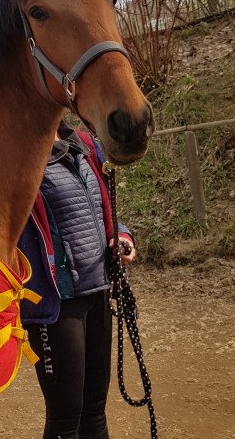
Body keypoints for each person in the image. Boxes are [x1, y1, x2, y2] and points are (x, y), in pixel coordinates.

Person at [19, 119, 136, 439]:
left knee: (95, 412)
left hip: (97, 290)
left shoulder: (85, 144)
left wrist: (122, 238)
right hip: (55, 305)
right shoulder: (18, 152)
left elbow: (105, 209)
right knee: (64, 418)